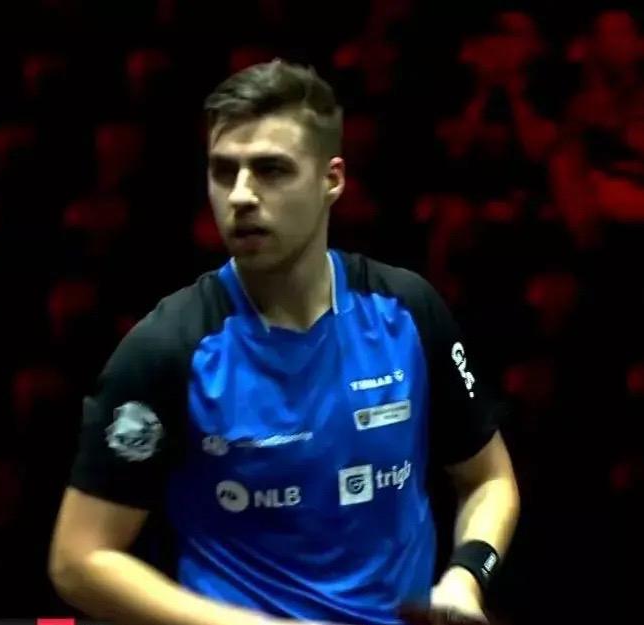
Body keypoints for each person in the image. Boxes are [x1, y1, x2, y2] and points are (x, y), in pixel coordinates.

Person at [48, 59, 520, 625]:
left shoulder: (408, 311)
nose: (241, 196)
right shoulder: (168, 348)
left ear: (332, 180)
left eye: (271, 170)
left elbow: (490, 479)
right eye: (224, 171)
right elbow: (79, 559)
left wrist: (466, 579)